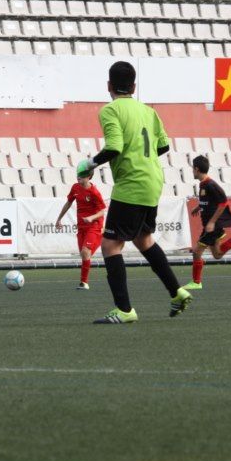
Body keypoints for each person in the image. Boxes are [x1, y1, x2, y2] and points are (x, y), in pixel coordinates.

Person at [79, 60, 192, 324]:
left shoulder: (110, 110)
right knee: (144, 240)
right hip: (153, 180)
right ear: (134, 86)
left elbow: (115, 146)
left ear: (109, 86)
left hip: (132, 183)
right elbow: (163, 147)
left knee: (110, 246)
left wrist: (90, 165)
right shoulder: (148, 111)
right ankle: (177, 291)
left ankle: (124, 310)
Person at [182, 155, 231, 290]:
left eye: (192, 169)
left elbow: (223, 202)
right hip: (211, 225)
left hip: (212, 226)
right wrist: (199, 206)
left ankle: (196, 282)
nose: (192, 171)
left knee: (196, 252)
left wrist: (211, 222)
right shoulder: (203, 184)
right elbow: (209, 201)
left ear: (196, 169)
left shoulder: (211, 184)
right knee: (217, 254)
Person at [55, 166, 106, 290]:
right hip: (81, 227)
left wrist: (91, 218)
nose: (78, 177)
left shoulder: (94, 192)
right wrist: (59, 219)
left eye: (82, 175)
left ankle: (84, 283)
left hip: (94, 225)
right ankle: (101, 238)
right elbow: (68, 203)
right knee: (84, 254)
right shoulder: (75, 188)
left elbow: (103, 211)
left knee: (85, 252)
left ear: (89, 177)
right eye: (78, 174)